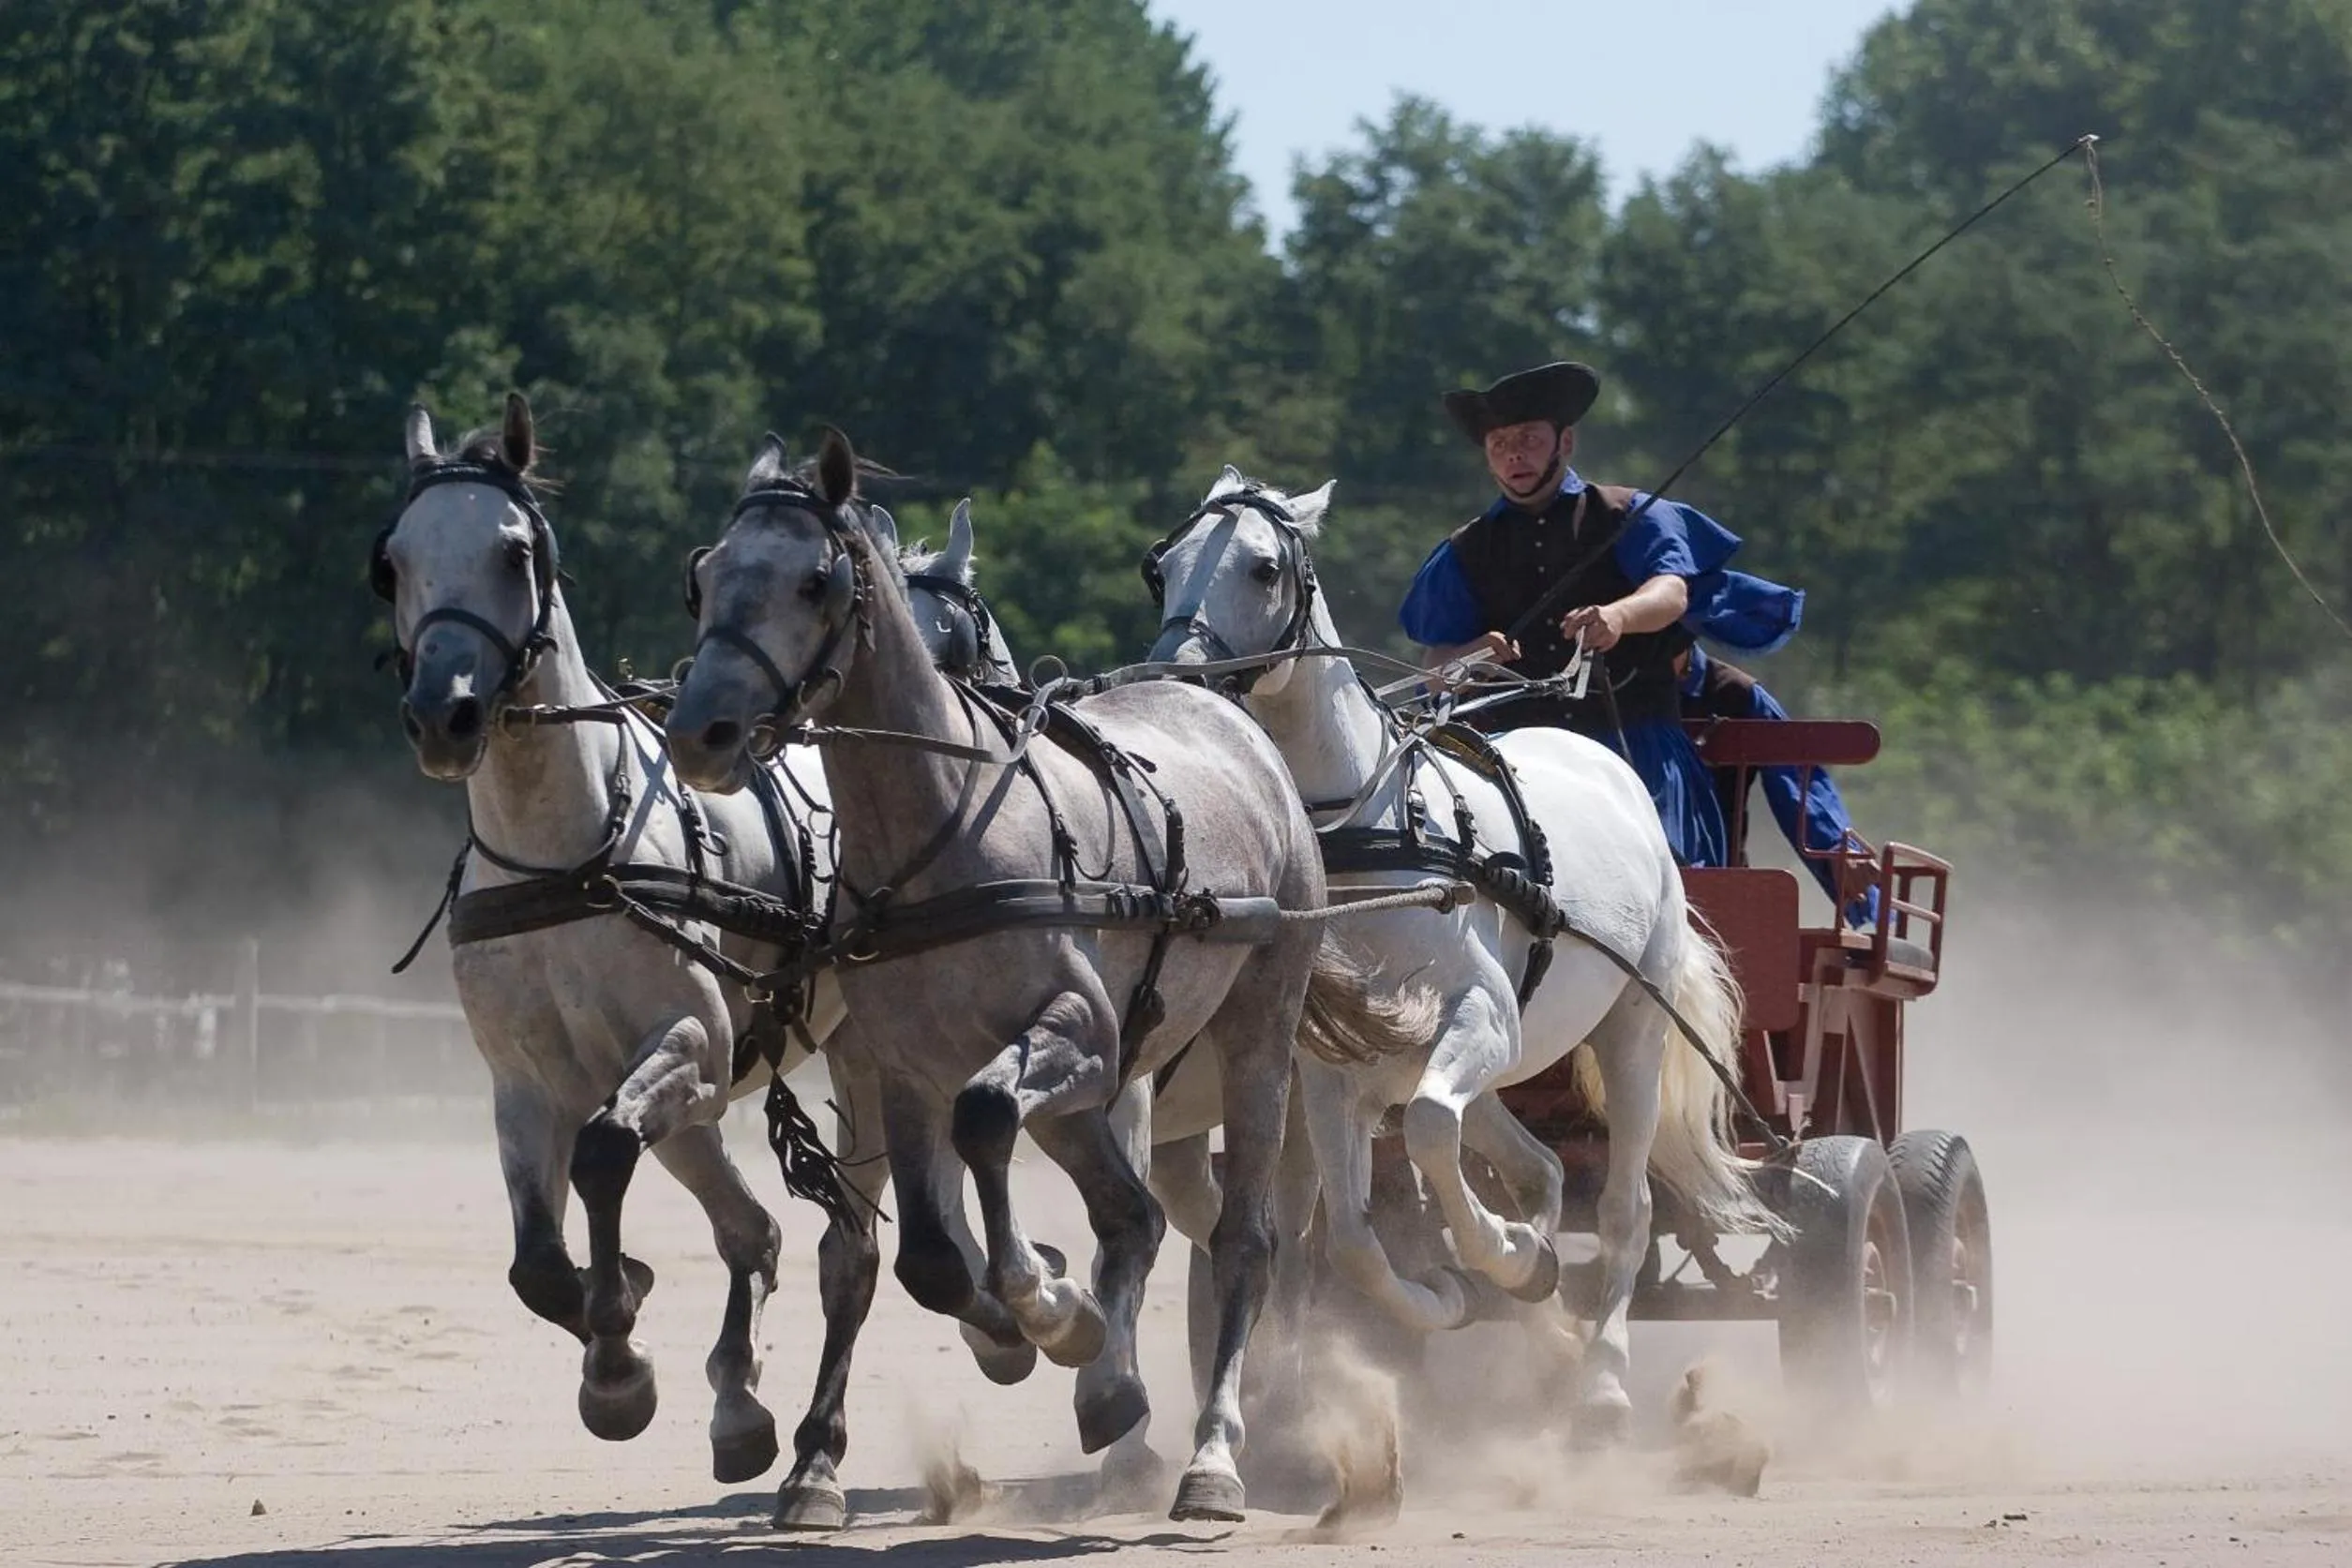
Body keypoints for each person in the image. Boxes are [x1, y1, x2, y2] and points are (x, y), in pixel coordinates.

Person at [1398, 360, 1802, 868]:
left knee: (1675, 874)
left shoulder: (1629, 514)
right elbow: (1434, 672)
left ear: (1565, 443)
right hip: (1518, 758)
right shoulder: (1465, 550)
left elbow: (1670, 592)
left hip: (1637, 748)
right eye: (1499, 444)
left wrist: (1619, 617)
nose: (1514, 454)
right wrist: (1468, 657)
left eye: (1528, 438)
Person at [1677, 644, 1879, 928]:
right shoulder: (1603, 689)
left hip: (1714, 879)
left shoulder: (1737, 695)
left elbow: (1797, 785)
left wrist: (1837, 849)